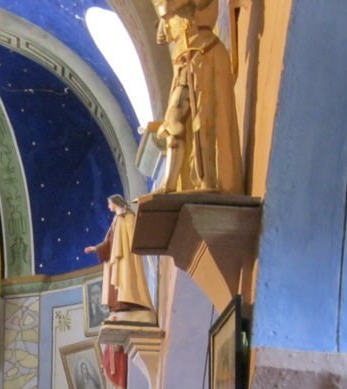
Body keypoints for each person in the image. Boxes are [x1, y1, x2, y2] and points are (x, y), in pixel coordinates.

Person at [153, 0, 243, 194]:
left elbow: (186, 7)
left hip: (204, 53)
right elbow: (162, 33)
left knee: (204, 122)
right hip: (184, 60)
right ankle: (170, 185)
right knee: (175, 122)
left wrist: (172, 9)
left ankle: (207, 182)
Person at [84, 194, 154, 319]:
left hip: (126, 256)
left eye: (109, 203)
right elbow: (109, 241)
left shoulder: (127, 216)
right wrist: (96, 248)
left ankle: (130, 302)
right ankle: (119, 305)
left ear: (115, 203)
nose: (108, 206)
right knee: (116, 280)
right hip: (116, 256)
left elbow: (133, 235)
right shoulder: (116, 219)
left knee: (126, 278)